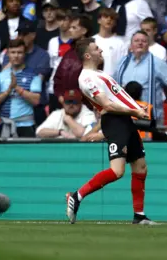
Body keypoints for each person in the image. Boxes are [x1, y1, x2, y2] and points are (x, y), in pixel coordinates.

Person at [67, 37, 153, 225]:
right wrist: (135, 111)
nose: (101, 51)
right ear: (88, 55)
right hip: (116, 121)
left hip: (124, 121)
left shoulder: (98, 74)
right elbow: (106, 105)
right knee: (117, 171)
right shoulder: (87, 78)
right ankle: (77, 195)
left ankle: (139, 215)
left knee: (140, 167)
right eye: (97, 48)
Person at [0, 39, 42, 137]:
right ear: (8, 54)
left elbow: (36, 101)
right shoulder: (1, 76)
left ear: (25, 54)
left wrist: (17, 87)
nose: (16, 55)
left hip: (26, 125)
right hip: (5, 124)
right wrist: (8, 90)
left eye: (19, 52)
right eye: (13, 52)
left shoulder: (33, 75)